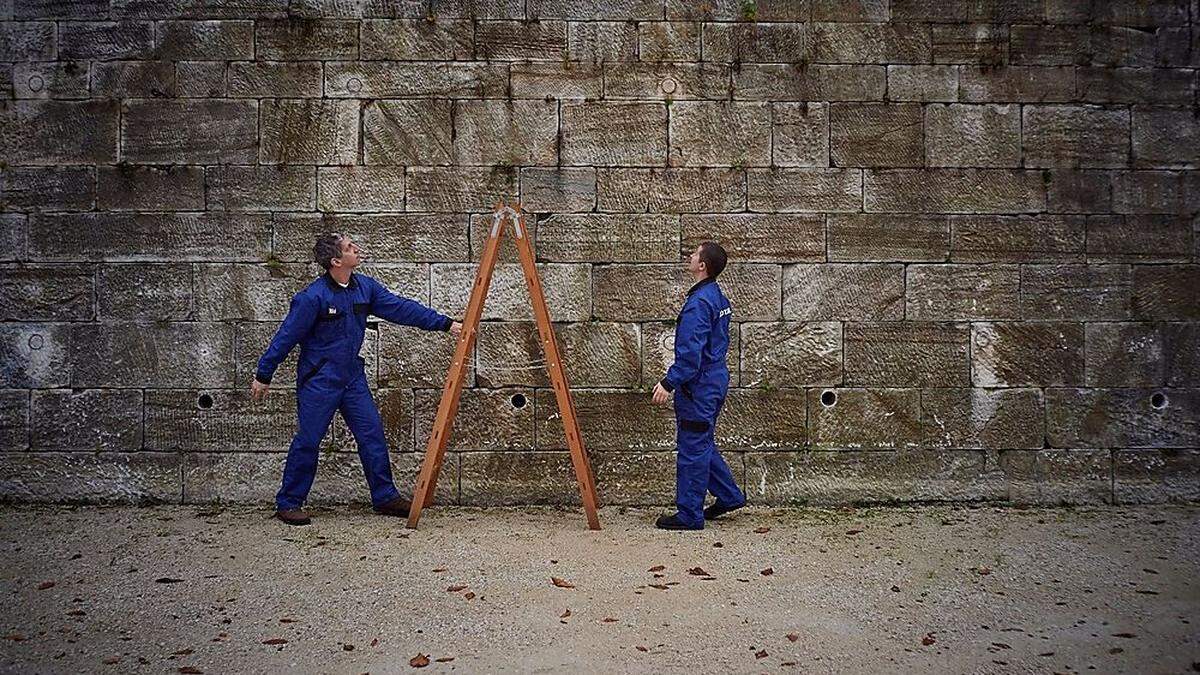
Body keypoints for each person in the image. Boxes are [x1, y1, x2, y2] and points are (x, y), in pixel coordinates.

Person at [251, 233, 462, 526]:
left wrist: (445, 324)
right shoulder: (311, 298)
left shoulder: (365, 288)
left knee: (371, 435)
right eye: (350, 248)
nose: (357, 249)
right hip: (320, 380)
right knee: (309, 441)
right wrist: (264, 374)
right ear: (336, 261)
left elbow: (400, 308)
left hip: (352, 378)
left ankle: (384, 497)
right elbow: (286, 337)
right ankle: (289, 502)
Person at [651, 242, 746, 530]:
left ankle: (690, 514)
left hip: (699, 384)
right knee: (701, 441)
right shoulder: (717, 297)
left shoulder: (698, 303)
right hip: (714, 379)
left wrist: (669, 382)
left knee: (692, 445)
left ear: (702, 265)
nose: (690, 256)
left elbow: (691, 354)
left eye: (695, 254)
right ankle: (729, 495)